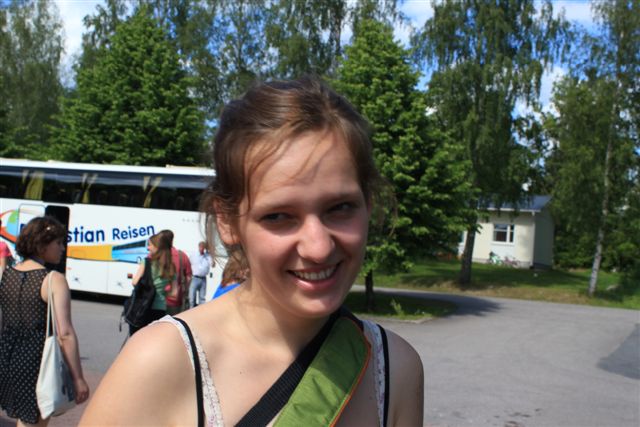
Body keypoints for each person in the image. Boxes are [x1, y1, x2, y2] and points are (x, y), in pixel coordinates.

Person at [80, 77, 424, 426]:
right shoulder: (161, 362)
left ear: (368, 205)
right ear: (227, 221)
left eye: (341, 207)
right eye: (278, 216)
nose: (319, 248)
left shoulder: (394, 370)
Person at [0, 216, 89, 426]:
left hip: (8, 356)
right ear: (42, 245)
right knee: (35, 422)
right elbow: (65, 333)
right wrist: (78, 378)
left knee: (24, 419)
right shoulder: (53, 279)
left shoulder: (7, 275)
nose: (62, 248)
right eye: (58, 243)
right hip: (38, 361)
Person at [128, 231, 175, 335]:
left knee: (137, 338)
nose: (148, 248)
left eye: (150, 245)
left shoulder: (146, 262)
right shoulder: (171, 266)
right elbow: (173, 292)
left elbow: (135, 282)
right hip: (160, 308)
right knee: (152, 338)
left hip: (143, 307)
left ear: (157, 247)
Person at [158, 230, 192, 314]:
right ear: (172, 240)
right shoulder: (182, 256)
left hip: (157, 300)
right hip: (175, 301)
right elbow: (188, 277)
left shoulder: (156, 255)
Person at [189, 241, 212, 307]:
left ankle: (201, 312)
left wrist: (210, 253)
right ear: (198, 247)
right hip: (195, 278)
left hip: (203, 279)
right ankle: (191, 310)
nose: (202, 249)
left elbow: (213, 264)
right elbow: (189, 263)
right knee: (192, 297)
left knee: (202, 298)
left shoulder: (207, 257)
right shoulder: (194, 255)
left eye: (203, 247)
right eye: (201, 247)